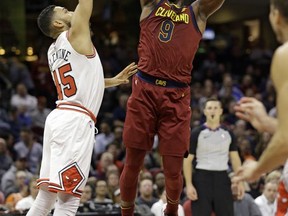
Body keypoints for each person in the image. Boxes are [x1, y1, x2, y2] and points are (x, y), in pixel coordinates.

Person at [26, 1, 137, 215]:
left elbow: (82, 80)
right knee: (68, 200)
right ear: (58, 23)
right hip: (74, 123)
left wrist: (113, 81)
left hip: (59, 118)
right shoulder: (74, 34)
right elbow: (86, 3)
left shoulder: (53, 49)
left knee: (46, 197)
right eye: (65, 11)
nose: (71, 12)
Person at [119, 0, 225, 215]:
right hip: (144, 91)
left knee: (173, 170)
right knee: (132, 164)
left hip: (177, 95)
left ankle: (172, 212)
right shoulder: (151, 4)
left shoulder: (197, 11)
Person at [183, 98, 244, 216]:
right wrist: (189, 184)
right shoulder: (196, 133)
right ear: (205, 111)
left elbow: (235, 159)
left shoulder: (228, 133)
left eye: (216, 108)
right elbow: (187, 160)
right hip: (201, 179)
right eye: (210, 108)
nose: (213, 111)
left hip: (222, 178)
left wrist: (240, 181)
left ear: (221, 111)